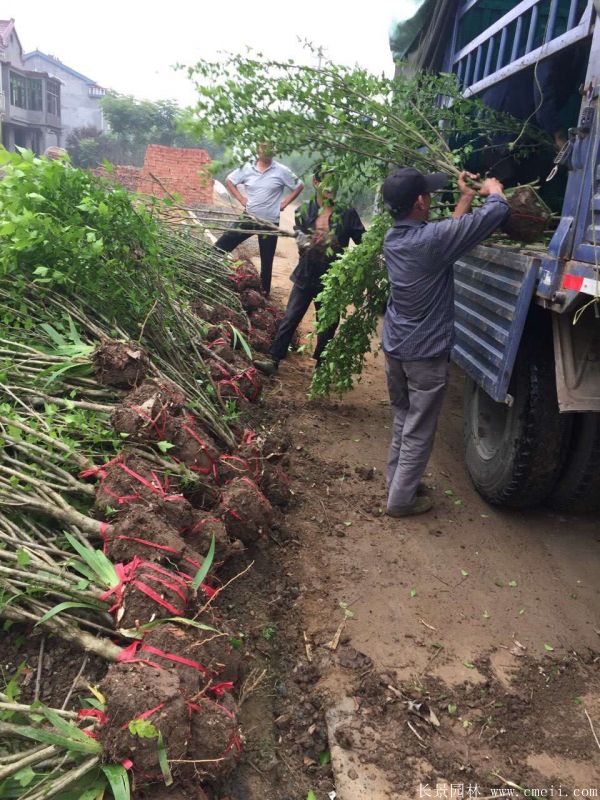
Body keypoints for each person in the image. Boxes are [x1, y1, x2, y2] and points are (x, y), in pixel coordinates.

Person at [382, 167, 509, 518]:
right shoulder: (430, 241)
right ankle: (401, 501)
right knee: (420, 428)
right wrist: (492, 190)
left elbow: (445, 239)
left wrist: (466, 198)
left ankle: (396, 482)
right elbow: (496, 213)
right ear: (421, 201)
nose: (432, 198)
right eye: (429, 194)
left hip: (396, 348)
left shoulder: (396, 239)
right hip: (423, 353)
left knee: (403, 417)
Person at [254, 169, 365, 375]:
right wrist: (305, 242)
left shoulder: (347, 213)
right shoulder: (303, 211)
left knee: (328, 324)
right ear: (316, 182)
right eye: (327, 182)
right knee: (290, 317)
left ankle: (321, 368)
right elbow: (301, 241)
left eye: (335, 182)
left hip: (332, 278)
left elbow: (362, 241)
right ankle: (274, 360)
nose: (331, 187)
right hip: (306, 273)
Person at [214, 144, 304, 296]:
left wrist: (285, 203)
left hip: (270, 223)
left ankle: (264, 294)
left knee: (267, 260)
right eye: (263, 147)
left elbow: (299, 185)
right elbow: (229, 180)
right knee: (221, 245)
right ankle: (212, 274)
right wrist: (241, 198)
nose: (267, 151)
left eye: (270, 148)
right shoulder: (247, 168)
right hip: (249, 218)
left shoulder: (281, 171)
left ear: (274, 150)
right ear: (258, 150)